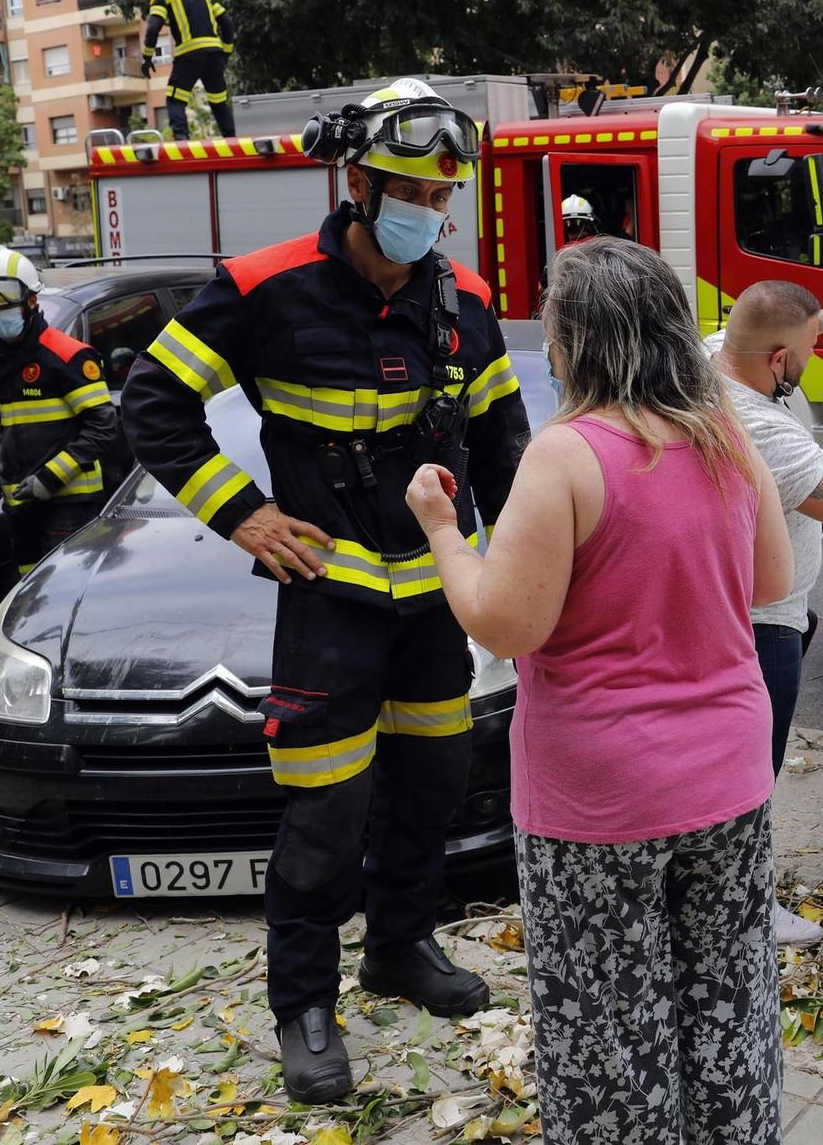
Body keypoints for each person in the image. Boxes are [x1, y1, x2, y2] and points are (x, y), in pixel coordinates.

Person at [121, 77, 530, 1105]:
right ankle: (303, 1006)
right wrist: (245, 515)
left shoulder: (464, 302)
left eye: (442, 198)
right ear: (356, 181)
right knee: (323, 818)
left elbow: (506, 447)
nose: (427, 213)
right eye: (408, 191)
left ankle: (399, 948)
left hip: (437, 609)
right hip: (327, 610)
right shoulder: (263, 286)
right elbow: (154, 402)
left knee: (431, 793)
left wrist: (532, 565)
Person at [411, 235, 792, 1145]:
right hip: (729, 777)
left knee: (608, 1026)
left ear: (574, 339)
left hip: (600, 797)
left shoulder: (567, 454)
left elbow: (504, 627)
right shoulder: (725, 437)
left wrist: (442, 531)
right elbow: (771, 578)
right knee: (729, 996)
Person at [709, 281, 823, 945]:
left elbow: (759, 324)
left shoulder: (710, 362)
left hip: (746, 606)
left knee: (731, 772)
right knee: (754, 778)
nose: (821, 354)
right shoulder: (763, 429)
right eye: (812, 348)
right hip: (765, 626)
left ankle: (724, 896)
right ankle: (748, 911)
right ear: (779, 359)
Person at [0, 247, 119, 576]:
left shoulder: (68, 356)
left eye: (5, 307)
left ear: (31, 301)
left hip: (71, 503)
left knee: (64, 589)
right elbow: (1, 433)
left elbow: (101, 428)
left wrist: (49, 479)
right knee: (31, 596)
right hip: (21, 505)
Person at [140, 0, 237, 140]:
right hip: (214, 54)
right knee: (219, 101)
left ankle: (182, 140)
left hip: (189, 55)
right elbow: (227, 23)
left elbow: (153, 28)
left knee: (175, 100)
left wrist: (147, 58)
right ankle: (231, 140)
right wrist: (226, 53)